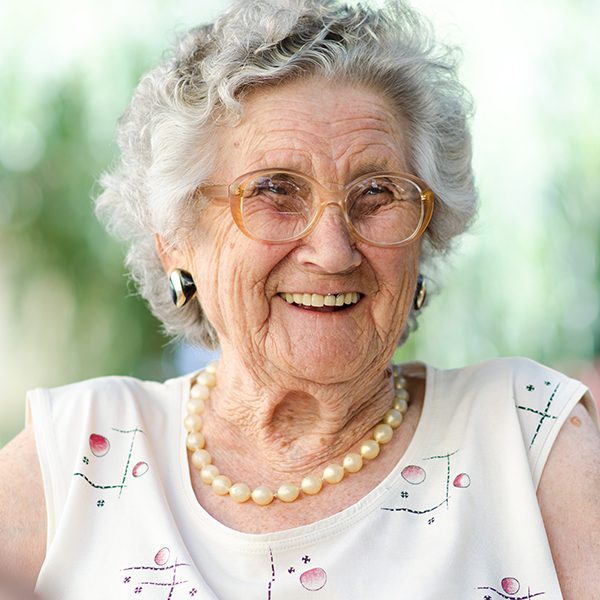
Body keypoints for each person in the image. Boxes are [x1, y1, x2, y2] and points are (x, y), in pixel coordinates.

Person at [1, 0, 599, 598]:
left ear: (426, 230)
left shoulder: (527, 437)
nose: (335, 251)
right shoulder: (79, 453)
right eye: (275, 191)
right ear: (177, 241)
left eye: (378, 193)